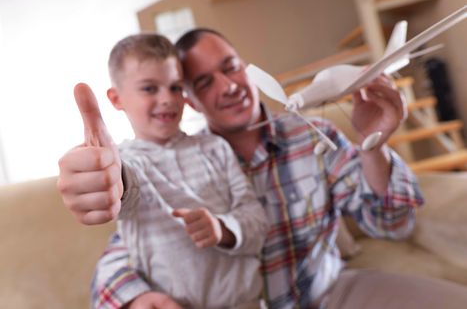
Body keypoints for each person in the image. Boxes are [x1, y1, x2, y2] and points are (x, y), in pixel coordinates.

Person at [58, 29, 467, 309]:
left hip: (328, 294)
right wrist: (108, 184)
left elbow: (393, 224)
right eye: (203, 82)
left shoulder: (312, 136)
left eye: (231, 66)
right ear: (194, 103)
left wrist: (373, 144)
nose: (228, 85)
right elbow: (133, 242)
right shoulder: (176, 166)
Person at [60, 34, 269, 309]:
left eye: (175, 87)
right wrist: (109, 175)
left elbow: (256, 219)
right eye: (149, 88)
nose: (167, 99)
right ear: (116, 99)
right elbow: (125, 187)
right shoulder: (126, 163)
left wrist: (222, 228)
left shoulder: (215, 148)